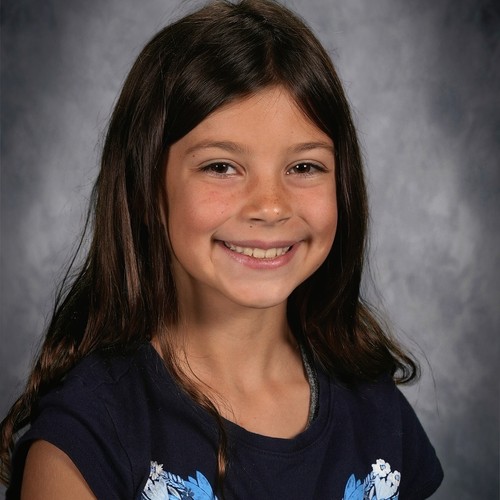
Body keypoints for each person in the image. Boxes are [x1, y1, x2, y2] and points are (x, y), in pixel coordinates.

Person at [0, 0, 443, 498]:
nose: (270, 206)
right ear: (146, 190)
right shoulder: (86, 438)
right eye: (221, 167)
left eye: (303, 167)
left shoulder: (377, 411)